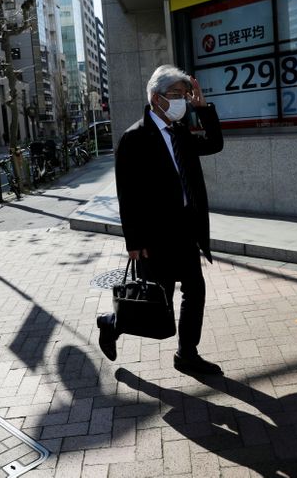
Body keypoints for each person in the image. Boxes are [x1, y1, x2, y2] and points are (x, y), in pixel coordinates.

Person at [96, 65, 224, 375]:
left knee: (195, 289)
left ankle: (186, 353)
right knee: (155, 300)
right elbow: (127, 194)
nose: (183, 100)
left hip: (185, 228)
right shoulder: (133, 138)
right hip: (155, 237)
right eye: (176, 95)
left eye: (185, 94)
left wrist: (202, 108)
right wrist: (134, 242)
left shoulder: (182, 132)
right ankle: (112, 324)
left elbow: (214, 144)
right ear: (156, 99)